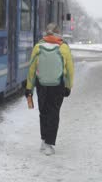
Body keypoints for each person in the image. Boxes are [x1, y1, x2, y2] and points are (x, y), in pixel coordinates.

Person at [25, 23, 74, 155]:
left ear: (46, 33)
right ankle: (49, 144)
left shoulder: (38, 47)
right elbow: (70, 70)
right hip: (57, 85)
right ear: (59, 33)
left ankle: (43, 140)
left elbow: (32, 69)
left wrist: (29, 88)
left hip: (42, 85)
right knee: (54, 113)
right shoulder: (63, 47)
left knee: (44, 112)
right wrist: (68, 86)